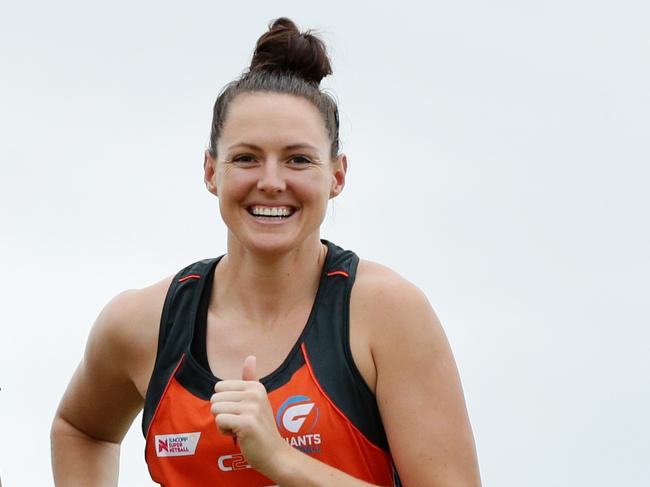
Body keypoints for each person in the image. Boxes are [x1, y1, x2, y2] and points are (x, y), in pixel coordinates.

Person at [51, 17, 481, 486]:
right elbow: (80, 429)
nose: (271, 182)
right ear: (210, 171)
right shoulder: (143, 324)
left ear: (336, 176)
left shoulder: (386, 314)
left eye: (298, 159)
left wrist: (279, 458)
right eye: (246, 158)